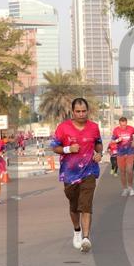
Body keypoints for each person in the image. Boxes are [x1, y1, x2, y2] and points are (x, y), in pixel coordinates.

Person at [51, 97, 103, 252]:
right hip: (70, 174)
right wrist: (68, 149)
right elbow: (54, 147)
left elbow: (98, 143)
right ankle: (77, 231)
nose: (81, 114)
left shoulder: (93, 127)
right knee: (74, 206)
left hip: (89, 171)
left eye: (84, 111)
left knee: (86, 205)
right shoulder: (63, 128)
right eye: (78, 111)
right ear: (72, 112)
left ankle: (86, 238)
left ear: (88, 111)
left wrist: (99, 153)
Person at [111, 117, 134, 196]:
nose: (123, 127)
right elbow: (112, 141)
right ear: (119, 124)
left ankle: (130, 188)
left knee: (129, 170)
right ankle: (125, 189)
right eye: (122, 125)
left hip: (130, 152)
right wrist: (117, 140)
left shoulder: (131, 129)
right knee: (122, 172)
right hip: (120, 153)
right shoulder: (116, 130)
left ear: (126, 123)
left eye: (124, 125)